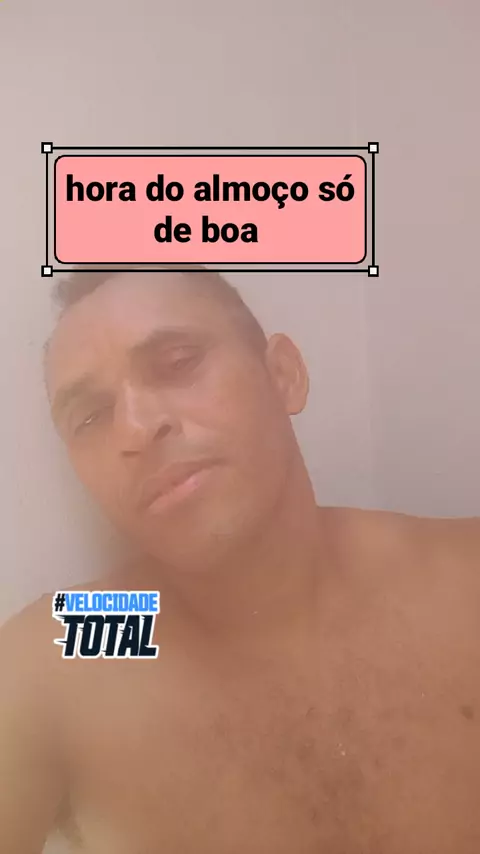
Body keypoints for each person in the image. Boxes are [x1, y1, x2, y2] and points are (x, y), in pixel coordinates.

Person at [1, 266, 479, 854]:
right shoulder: (92, 638)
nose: (137, 429)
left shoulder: (464, 580)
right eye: (91, 416)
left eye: (178, 363)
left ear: (283, 376)